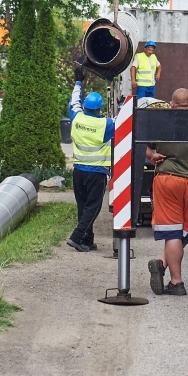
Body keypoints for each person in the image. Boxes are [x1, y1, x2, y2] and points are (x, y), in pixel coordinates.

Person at [146, 88, 188, 297]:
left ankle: (176, 281)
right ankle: (162, 264)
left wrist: (152, 155)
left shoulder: (163, 123)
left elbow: (138, 142)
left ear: (171, 105)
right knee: (182, 233)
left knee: (173, 233)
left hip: (168, 181)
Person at [67, 76, 114, 252]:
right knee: (93, 207)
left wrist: (78, 82)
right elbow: (125, 121)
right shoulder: (106, 124)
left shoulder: (77, 117)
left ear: (85, 106)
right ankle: (76, 237)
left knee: (83, 205)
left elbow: (74, 101)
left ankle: (87, 240)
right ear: (100, 108)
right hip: (97, 172)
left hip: (78, 171)